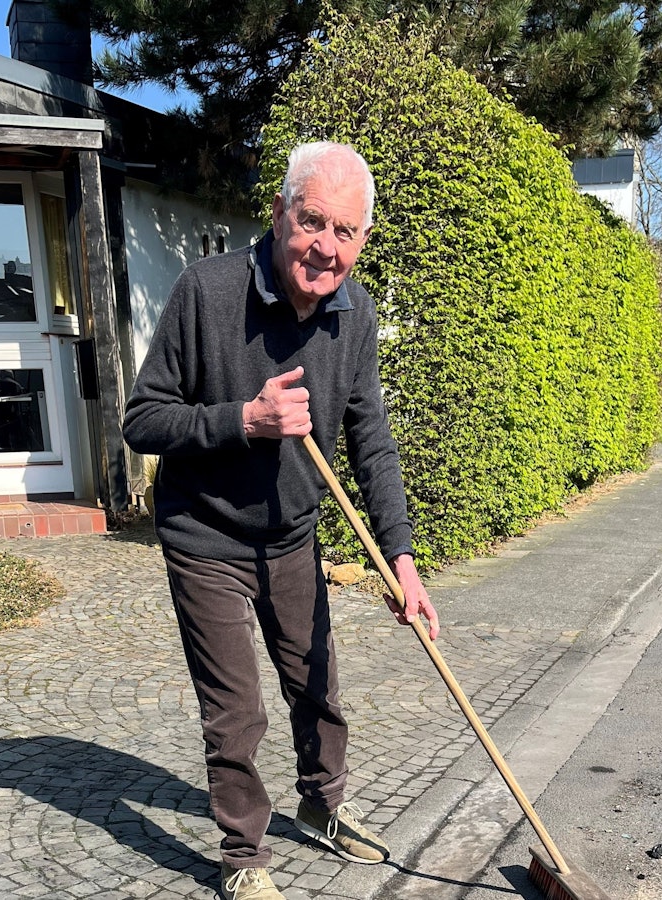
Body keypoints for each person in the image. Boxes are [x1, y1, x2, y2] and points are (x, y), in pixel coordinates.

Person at [123, 141, 439, 900]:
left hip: (293, 536)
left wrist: (399, 555)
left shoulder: (353, 314)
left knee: (318, 683)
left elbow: (371, 439)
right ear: (279, 214)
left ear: (362, 242)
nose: (325, 248)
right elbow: (143, 419)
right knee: (237, 711)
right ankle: (243, 857)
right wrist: (244, 419)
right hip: (205, 536)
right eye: (312, 222)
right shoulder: (206, 292)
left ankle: (322, 805)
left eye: (345, 233)